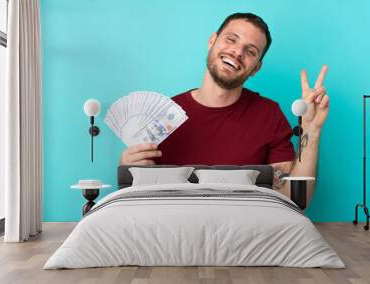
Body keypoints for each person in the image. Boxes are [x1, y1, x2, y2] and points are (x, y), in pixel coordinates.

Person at [120, 13, 330, 205]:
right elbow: (140, 199)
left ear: (256, 68)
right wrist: (128, 171)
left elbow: (293, 200)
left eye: (250, 51)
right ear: (212, 41)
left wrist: (311, 132)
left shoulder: (269, 115)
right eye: (231, 39)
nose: (237, 52)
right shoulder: (164, 114)